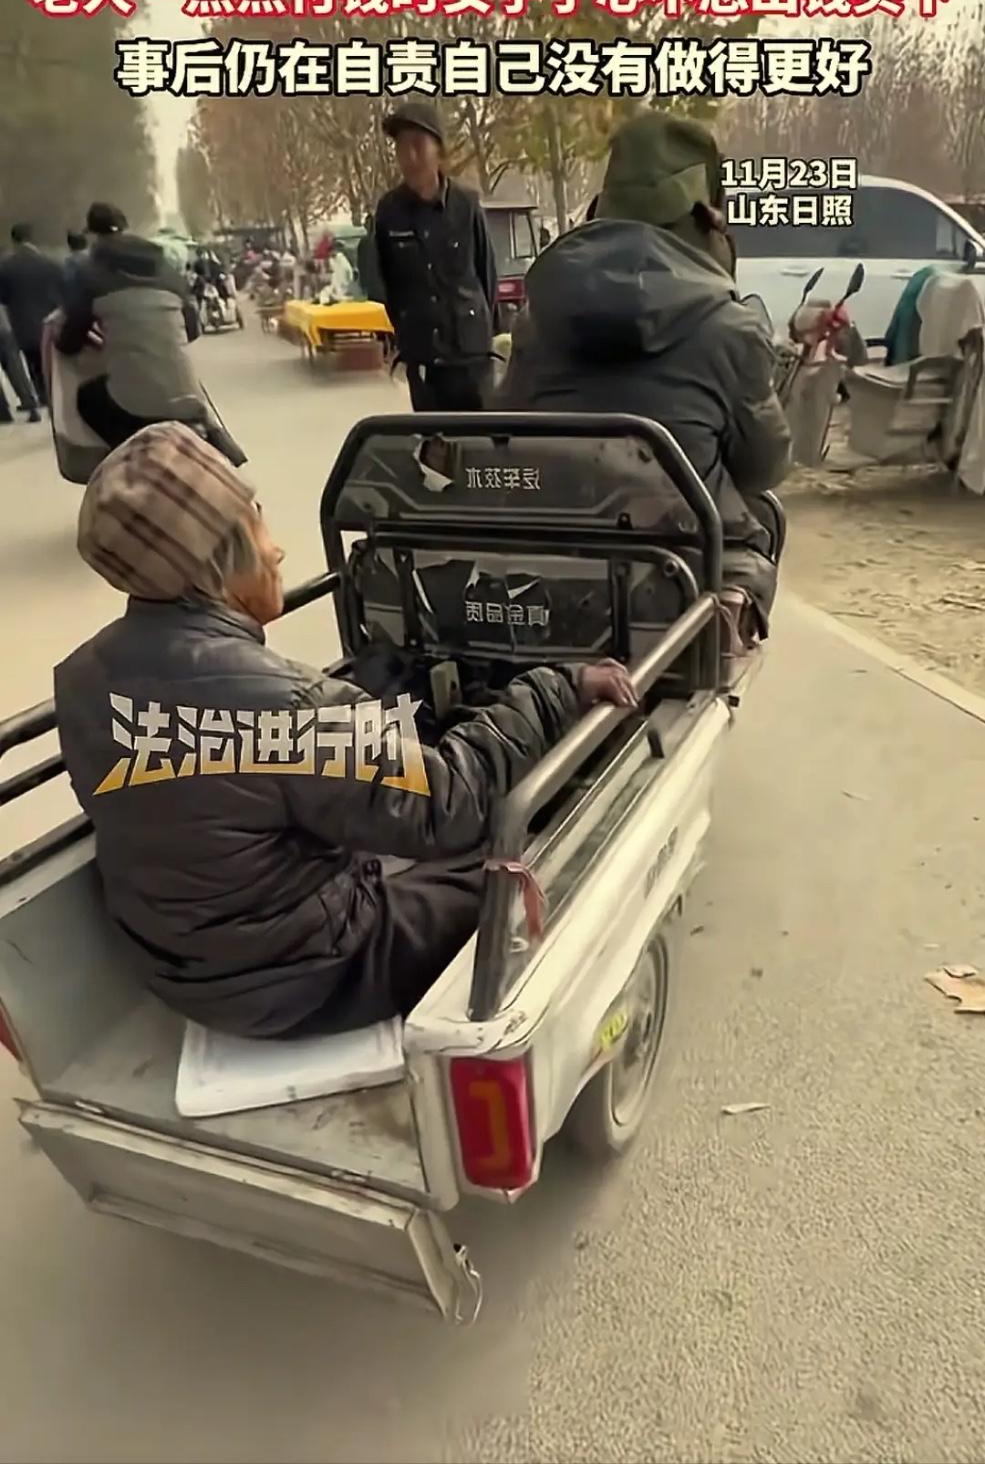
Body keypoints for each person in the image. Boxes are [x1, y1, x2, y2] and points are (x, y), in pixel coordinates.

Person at [54, 423, 635, 1039]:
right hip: (315, 977)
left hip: (183, 971)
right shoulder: (289, 707)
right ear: (218, 562)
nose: (276, 551)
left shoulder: (82, 680)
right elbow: (449, 804)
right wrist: (554, 689)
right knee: (535, 851)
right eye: (258, 526)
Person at [498, 112, 791, 643]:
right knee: (757, 522)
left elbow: (504, 429)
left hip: (546, 569)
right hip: (681, 579)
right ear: (708, 219)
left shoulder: (535, 318)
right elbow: (765, 465)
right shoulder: (732, 326)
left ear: (600, 211)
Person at [56, 213, 244, 465]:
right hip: (186, 392)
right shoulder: (167, 271)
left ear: (93, 235)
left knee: (88, 398)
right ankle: (210, 436)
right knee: (187, 389)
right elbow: (193, 329)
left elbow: (71, 340)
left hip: (133, 401)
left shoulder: (91, 275)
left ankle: (129, 458)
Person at [373, 101, 498, 412]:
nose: (410, 158)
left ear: (438, 150)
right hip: (424, 360)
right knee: (434, 448)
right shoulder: (390, 211)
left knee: (480, 446)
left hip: (471, 358)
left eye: (418, 146)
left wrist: (479, 331)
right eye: (402, 149)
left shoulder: (467, 205)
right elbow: (387, 285)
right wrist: (408, 333)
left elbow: (487, 275)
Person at [0, 222, 65, 407]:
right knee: (51, 361)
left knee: (33, 362)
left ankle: (41, 395)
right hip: (49, 319)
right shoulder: (51, 262)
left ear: (14, 240)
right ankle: (54, 394)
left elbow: (2, 297)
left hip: (22, 322)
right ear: (32, 238)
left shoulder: (5, 266)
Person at [0, 302, 41, 423]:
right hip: (4, 327)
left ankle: (3, 413)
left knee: (15, 367)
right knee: (16, 369)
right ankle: (30, 405)